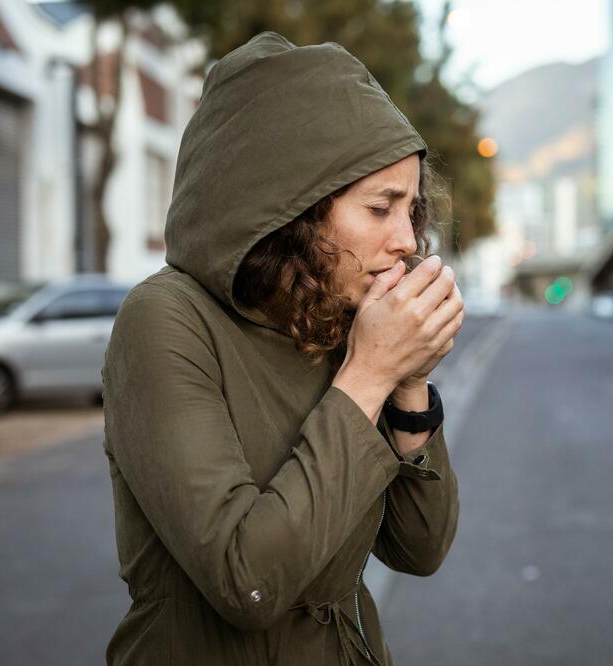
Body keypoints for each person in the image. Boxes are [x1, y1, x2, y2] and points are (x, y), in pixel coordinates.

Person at [102, 32, 461, 665]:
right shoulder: (164, 319)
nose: (408, 240)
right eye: (381, 208)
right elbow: (247, 580)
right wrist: (370, 373)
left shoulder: (337, 316)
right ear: (294, 212)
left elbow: (421, 548)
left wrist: (409, 381)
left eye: (412, 210)